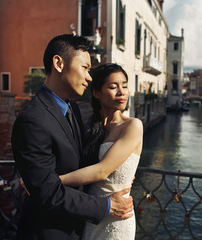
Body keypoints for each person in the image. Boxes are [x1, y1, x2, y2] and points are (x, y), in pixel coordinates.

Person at [11, 34, 133, 240]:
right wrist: (107, 206)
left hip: (77, 228)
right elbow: (48, 193)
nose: (90, 77)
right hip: (49, 232)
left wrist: (119, 173)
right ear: (58, 63)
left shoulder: (72, 109)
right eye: (85, 68)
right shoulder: (32, 120)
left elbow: (80, 160)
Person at [59, 63, 143, 240]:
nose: (122, 92)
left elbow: (103, 170)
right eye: (113, 87)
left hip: (118, 217)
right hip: (92, 212)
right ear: (97, 93)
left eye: (125, 86)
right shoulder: (91, 128)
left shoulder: (133, 125)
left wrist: (53, 182)